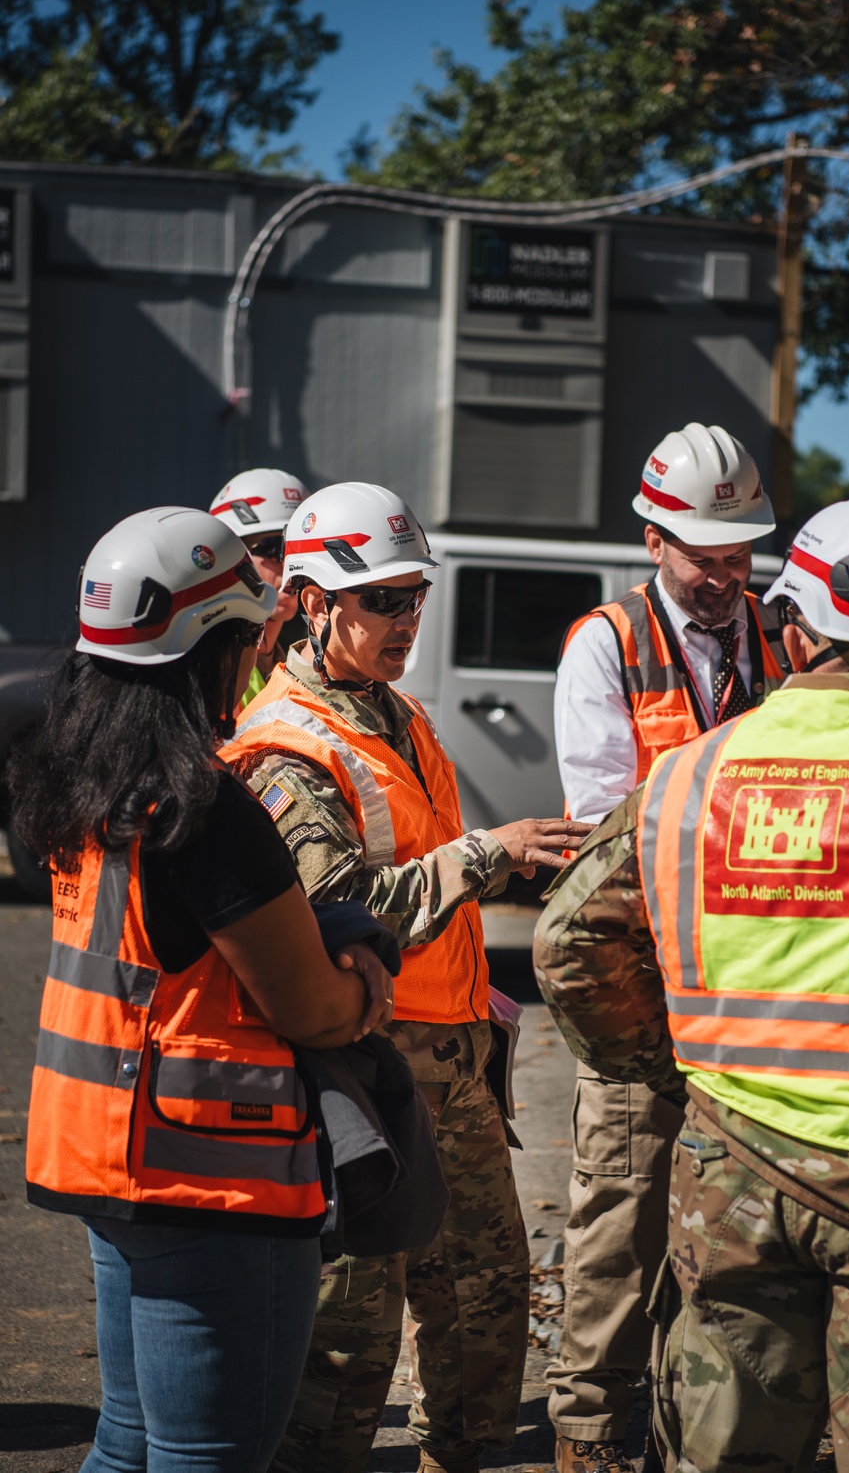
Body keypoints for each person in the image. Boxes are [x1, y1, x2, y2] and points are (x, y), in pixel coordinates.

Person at [534, 497, 849, 1473]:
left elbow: (570, 945)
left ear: (794, 628)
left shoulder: (685, 776)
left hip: (729, 1168)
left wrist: (669, 1074)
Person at [220, 480, 593, 1473]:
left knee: (483, 1298)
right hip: (366, 1068)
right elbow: (326, 909)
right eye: (380, 599)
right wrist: (488, 856)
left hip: (455, 1058)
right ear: (309, 601)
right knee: (351, 1337)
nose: (405, 618)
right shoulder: (286, 746)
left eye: (412, 595)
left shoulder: (396, 713)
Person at [14, 506, 396, 1473]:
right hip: (212, 1179)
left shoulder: (76, 784)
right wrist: (362, 978)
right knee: (206, 1457)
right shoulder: (203, 807)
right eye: (248, 638)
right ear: (215, 646)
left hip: (102, 1162)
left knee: (128, 1444)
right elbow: (306, 1005)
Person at [548, 422, 786, 1473]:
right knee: (617, 1231)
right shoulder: (607, 643)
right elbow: (612, 828)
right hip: (639, 996)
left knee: (727, 1249)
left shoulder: (780, 642)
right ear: (653, 540)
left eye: (739, 554)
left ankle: (689, 1442)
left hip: (747, 1000)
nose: (725, 576)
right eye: (704, 555)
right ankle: (592, 1443)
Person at [210, 467, 311, 704]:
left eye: (300, 550)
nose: (289, 564)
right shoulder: (212, 673)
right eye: (275, 547)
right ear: (231, 554)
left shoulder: (298, 665)